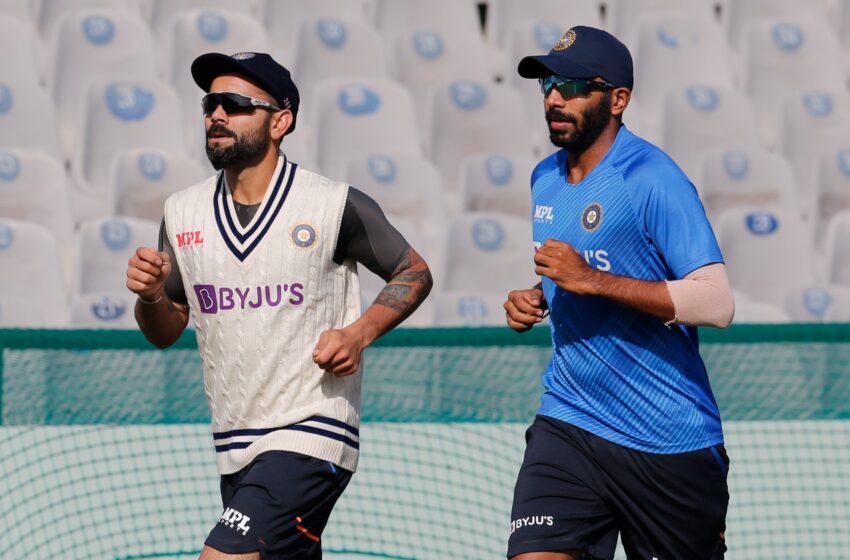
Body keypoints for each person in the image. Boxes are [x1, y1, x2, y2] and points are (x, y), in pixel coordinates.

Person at [126, 52, 432, 560]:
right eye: (210, 104)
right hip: (234, 446)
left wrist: (359, 333)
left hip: (313, 433)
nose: (217, 115)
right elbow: (164, 331)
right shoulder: (180, 212)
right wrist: (152, 294)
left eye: (235, 104)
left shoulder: (334, 204)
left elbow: (414, 271)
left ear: (280, 121)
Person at [503, 26, 735, 560]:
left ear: (618, 99)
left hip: (667, 440)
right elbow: (579, 270)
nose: (554, 98)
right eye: (547, 85)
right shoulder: (544, 177)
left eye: (573, 85)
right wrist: (533, 296)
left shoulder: (653, 177)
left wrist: (591, 280)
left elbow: (716, 302)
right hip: (570, 420)